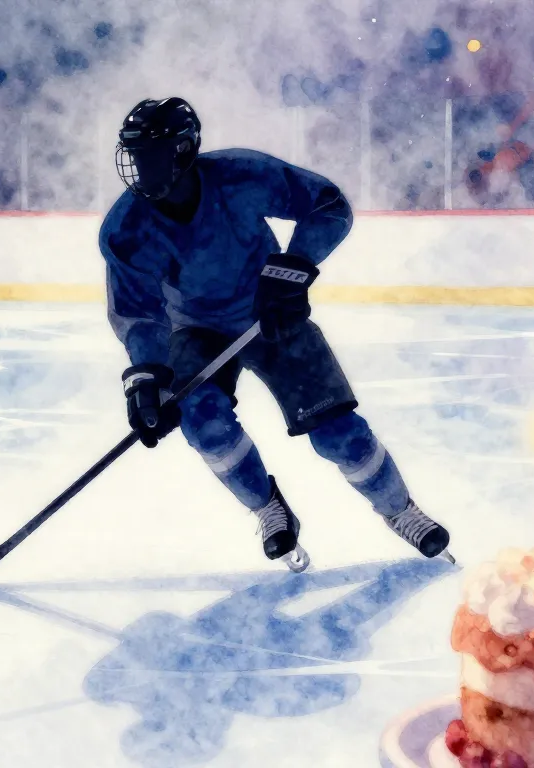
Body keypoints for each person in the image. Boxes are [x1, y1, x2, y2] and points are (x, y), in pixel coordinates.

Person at [100, 97, 452, 571]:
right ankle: (268, 508)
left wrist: (294, 267)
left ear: (184, 150)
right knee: (204, 425)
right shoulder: (127, 228)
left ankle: (399, 509)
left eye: (152, 155)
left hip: (271, 315)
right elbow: (137, 312)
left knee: (338, 434)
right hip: (195, 332)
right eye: (136, 155)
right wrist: (147, 377)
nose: (141, 168)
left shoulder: (240, 175)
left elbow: (329, 204)